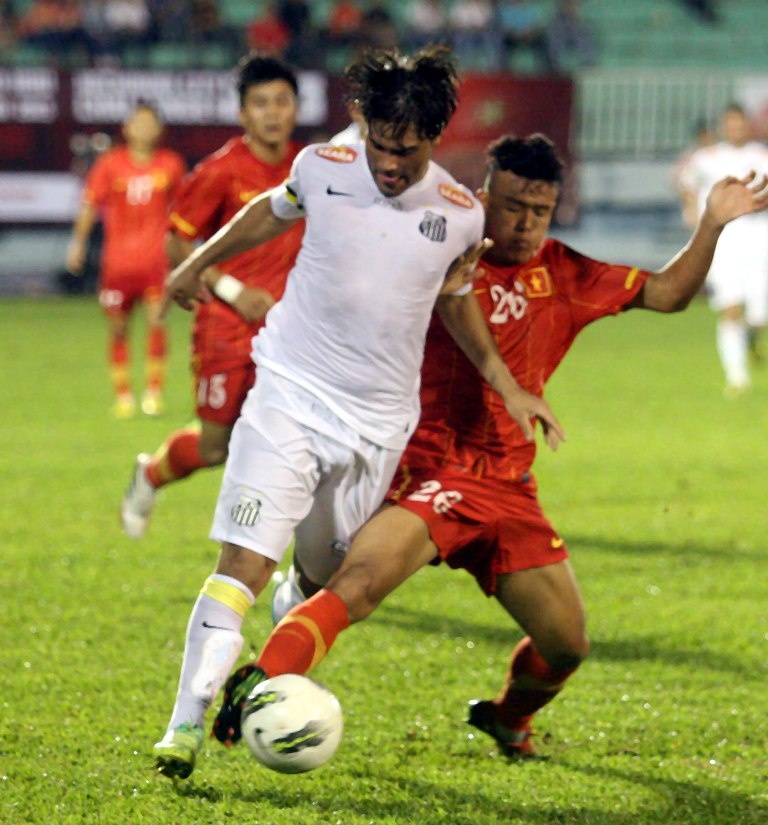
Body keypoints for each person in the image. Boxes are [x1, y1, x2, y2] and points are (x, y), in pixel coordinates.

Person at [230, 134, 768, 760]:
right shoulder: (438, 257)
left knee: (566, 644)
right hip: (429, 467)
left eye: (540, 210)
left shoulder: (564, 273)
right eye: (513, 206)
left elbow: (668, 293)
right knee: (360, 585)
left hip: (508, 485)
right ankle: (259, 683)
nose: (526, 223)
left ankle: (508, 719)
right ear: (484, 198)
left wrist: (711, 224)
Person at [152, 46, 562, 780]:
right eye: (380, 144)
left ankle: (294, 599)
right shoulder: (321, 167)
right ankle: (184, 725)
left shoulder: (459, 215)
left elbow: (455, 300)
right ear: (363, 125)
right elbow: (266, 212)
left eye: (407, 151)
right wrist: (196, 263)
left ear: (434, 138)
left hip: (375, 428)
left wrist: (506, 383)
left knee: (320, 581)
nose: (391, 165)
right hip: (287, 394)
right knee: (241, 562)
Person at [119, 54, 303, 539]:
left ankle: (301, 563)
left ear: (296, 108)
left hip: (293, 334)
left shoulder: (309, 169)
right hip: (227, 327)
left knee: (300, 443)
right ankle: (149, 474)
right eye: (260, 103)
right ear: (242, 113)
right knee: (214, 447)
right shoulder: (221, 170)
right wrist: (234, 290)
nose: (272, 113)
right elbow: (178, 242)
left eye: (281, 101)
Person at [66, 102, 185, 418]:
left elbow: (184, 211)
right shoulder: (110, 164)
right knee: (118, 328)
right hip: (117, 264)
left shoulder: (171, 164)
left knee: (157, 320)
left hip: (156, 261)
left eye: (150, 123)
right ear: (127, 128)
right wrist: (77, 244)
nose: (144, 128)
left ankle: (153, 393)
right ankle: (123, 395)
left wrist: (185, 250)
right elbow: (90, 205)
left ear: (159, 129)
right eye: (139, 122)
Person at [678, 102, 768, 395]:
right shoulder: (707, 157)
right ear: (723, 127)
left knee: (759, 315)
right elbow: (686, 182)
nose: (735, 129)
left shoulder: (761, 155)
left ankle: (752, 335)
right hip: (723, 240)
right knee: (730, 307)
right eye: (730, 124)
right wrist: (691, 210)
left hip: (759, 237)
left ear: (748, 126)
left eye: (740, 123)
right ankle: (737, 378)